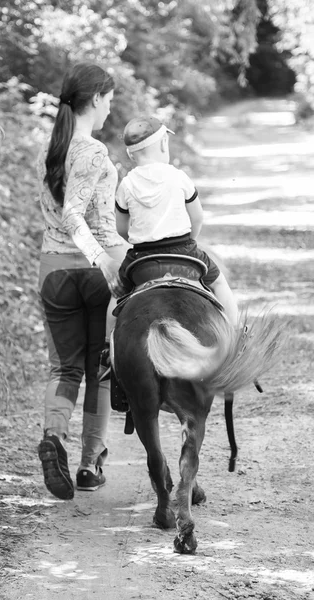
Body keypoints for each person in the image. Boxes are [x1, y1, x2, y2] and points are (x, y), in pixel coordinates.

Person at [37, 62, 126, 501]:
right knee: (101, 371)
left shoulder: (49, 149)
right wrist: (103, 261)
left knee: (64, 367)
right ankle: (89, 465)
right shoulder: (91, 151)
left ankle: (53, 438)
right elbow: (75, 213)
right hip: (96, 269)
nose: (110, 109)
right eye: (108, 101)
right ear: (95, 99)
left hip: (53, 270)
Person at [113, 115, 239, 327]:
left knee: (115, 295)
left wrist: (138, 240)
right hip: (183, 250)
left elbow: (121, 228)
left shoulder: (126, 185)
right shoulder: (178, 176)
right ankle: (236, 335)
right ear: (164, 143)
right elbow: (197, 217)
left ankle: (107, 347)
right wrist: (190, 240)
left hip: (141, 257)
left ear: (130, 153)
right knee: (219, 284)